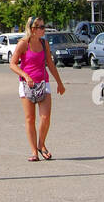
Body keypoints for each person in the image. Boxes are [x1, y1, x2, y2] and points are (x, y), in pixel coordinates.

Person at [10, 16, 65, 161]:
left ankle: (41, 144)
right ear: (32, 29)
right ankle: (34, 151)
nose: (43, 29)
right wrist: (25, 76)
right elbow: (13, 64)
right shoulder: (23, 44)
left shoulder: (44, 43)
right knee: (30, 118)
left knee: (45, 117)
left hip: (43, 82)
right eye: (40, 27)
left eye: (43, 26)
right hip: (26, 84)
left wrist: (59, 82)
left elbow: (50, 64)